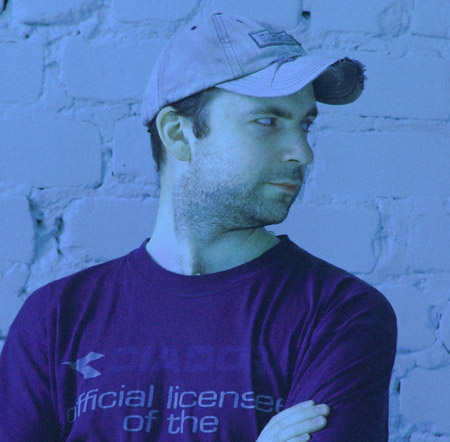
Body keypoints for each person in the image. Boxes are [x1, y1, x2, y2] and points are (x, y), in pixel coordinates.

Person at [0, 12, 397, 441]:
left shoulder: (339, 313)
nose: (302, 152)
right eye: (267, 121)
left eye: (305, 125)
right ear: (178, 134)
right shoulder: (56, 317)